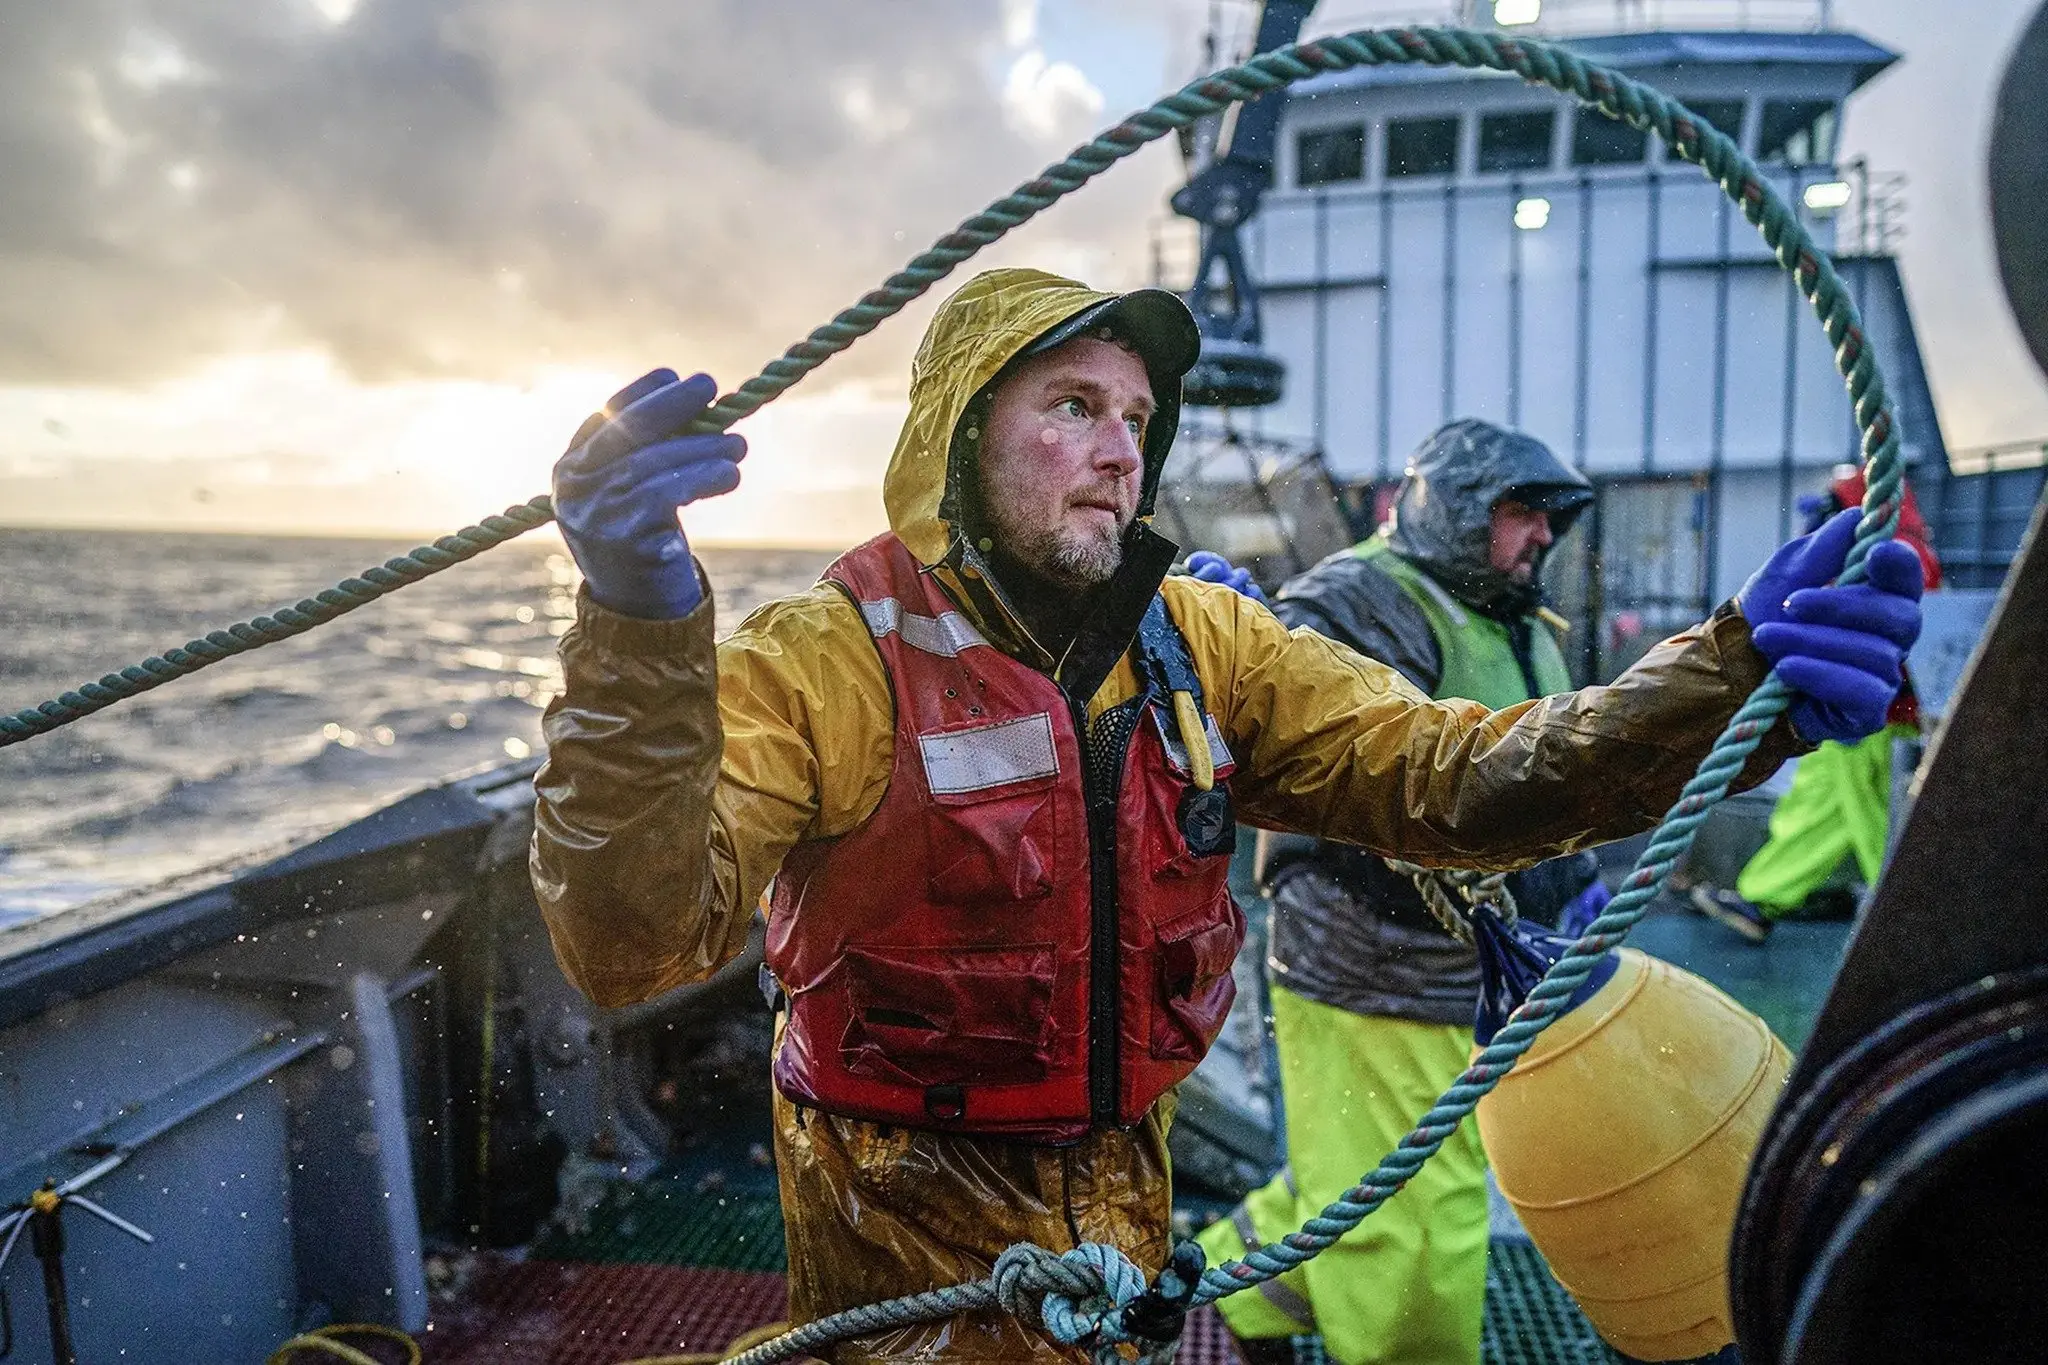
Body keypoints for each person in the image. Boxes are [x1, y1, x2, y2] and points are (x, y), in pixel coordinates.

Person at [530, 267, 1923, 1363]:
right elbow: (634, 940)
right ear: (960, 434)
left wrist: (1736, 676)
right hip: (903, 1250)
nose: (1118, 450)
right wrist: (641, 629)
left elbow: (1453, 776)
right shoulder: (826, 658)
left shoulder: (1206, 643)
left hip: (1127, 1217)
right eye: (1072, 406)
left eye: (1137, 420)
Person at [1188, 419, 1612, 1365]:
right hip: (1369, 963)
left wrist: (1576, 879)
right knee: (1417, 1215)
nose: (1541, 535)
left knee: (1365, 1180)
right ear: (1452, 510)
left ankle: (1233, 1292)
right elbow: (1373, 780)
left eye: (1549, 516)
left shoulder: (1510, 612)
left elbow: (1549, 770)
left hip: (1469, 966)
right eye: (1519, 512)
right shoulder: (1354, 602)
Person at [1687, 465, 1944, 944]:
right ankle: (1760, 899)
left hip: (1876, 716)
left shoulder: (1891, 553)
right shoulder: (1902, 548)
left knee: (1876, 818)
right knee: (1814, 809)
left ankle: (1905, 918)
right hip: (1850, 709)